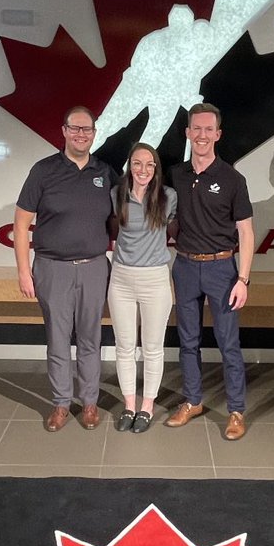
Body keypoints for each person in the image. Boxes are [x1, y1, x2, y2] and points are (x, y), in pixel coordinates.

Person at [13, 106, 118, 432]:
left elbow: (126, 217)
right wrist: (23, 271)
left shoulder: (106, 172)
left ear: (94, 134)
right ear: (64, 131)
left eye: (87, 130)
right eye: (75, 129)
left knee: (90, 339)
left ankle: (88, 403)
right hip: (52, 268)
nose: (81, 135)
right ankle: (60, 403)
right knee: (58, 340)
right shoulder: (43, 171)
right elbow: (21, 223)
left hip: (93, 268)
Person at [166, 103, 254, 441]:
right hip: (185, 266)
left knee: (228, 343)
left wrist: (242, 279)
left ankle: (235, 410)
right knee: (187, 342)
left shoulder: (233, 179)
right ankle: (192, 401)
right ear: (188, 133)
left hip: (222, 269)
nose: (201, 135)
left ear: (217, 134)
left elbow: (245, 232)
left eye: (208, 129)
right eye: (196, 129)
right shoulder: (176, 174)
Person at [107, 143, 178, 433]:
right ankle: (129, 405)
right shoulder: (117, 194)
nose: (143, 170)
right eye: (137, 163)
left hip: (155, 279)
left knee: (152, 348)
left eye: (149, 165)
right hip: (121, 278)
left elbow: (173, 228)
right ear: (129, 165)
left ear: (156, 168)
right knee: (124, 347)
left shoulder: (168, 197)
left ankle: (146, 407)